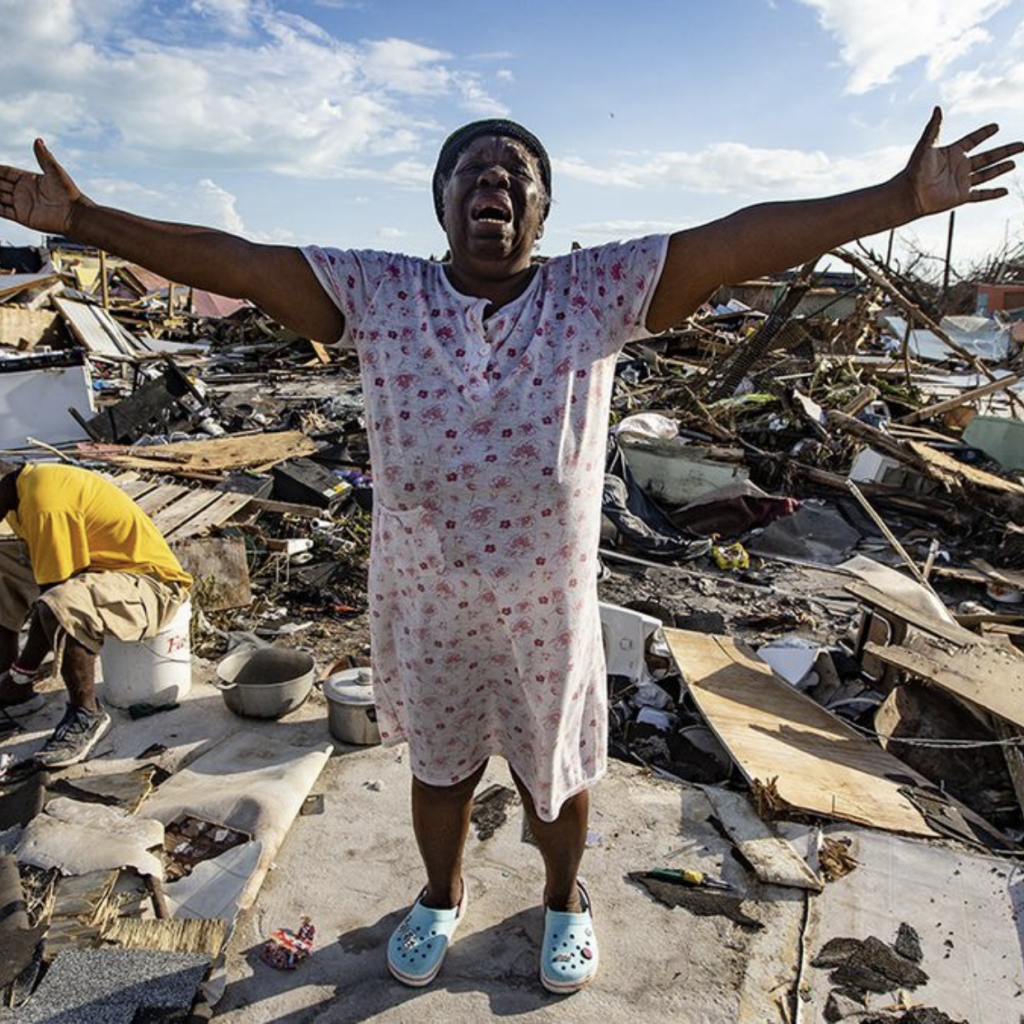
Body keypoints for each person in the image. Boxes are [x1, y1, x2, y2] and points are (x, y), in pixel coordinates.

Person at [1, 108, 1018, 992]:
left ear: (542, 213)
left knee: (557, 776)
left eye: (515, 174)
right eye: (472, 171)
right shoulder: (383, 293)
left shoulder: (595, 291)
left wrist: (892, 198)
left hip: (550, 609)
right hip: (426, 603)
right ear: (441, 204)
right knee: (439, 772)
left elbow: (734, 241)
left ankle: (564, 898)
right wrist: (86, 222)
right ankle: (438, 897)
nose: (494, 179)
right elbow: (244, 263)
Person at [0, 462, 192, 767]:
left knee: (61, 603)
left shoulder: (44, 503)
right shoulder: (18, 491)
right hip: (99, 566)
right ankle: (14, 698)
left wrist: (22, 672)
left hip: (152, 584)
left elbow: (54, 601)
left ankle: (85, 714)